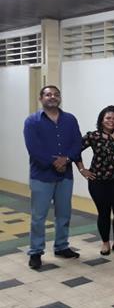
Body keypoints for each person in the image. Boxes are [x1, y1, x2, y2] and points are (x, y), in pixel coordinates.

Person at [23, 85, 82, 269]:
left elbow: (77, 143)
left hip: (65, 175)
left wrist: (67, 159)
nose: (52, 97)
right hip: (41, 175)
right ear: (41, 98)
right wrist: (54, 162)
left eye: (56, 94)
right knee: (38, 217)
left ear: (60, 98)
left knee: (64, 214)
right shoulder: (32, 121)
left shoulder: (70, 119)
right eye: (48, 94)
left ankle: (61, 246)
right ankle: (36, 252)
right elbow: (33, 149)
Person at [76, 105, 114, 256]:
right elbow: (75, 150)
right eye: (108, 118)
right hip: (98, 181)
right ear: (101, 120)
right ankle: (105, 243)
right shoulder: (93, 136)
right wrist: (82, 169)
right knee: (104, 212)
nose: (111, 121)